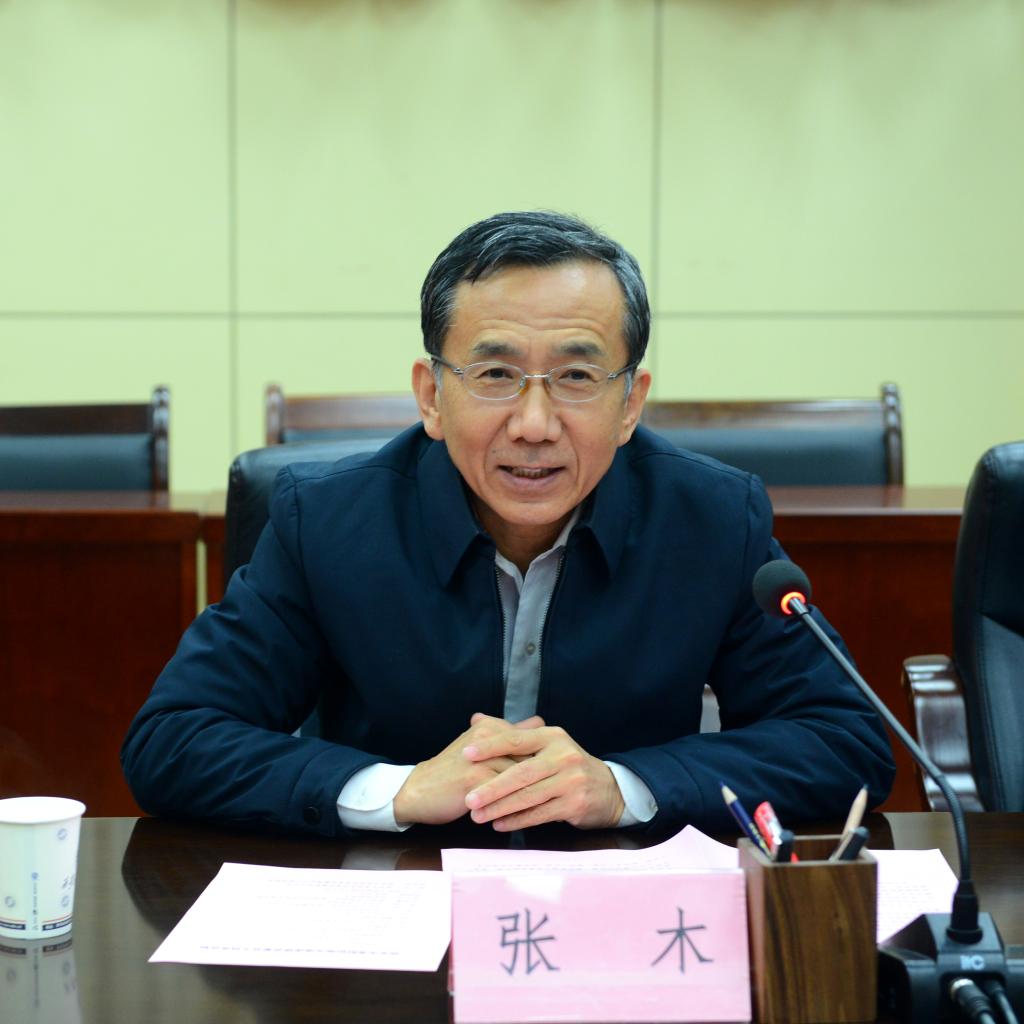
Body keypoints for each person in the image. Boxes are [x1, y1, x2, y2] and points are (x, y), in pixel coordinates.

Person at [121, 211, 894, 837]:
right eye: (495, 375)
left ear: (630, 403)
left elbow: (845, 740)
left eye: (577, 376)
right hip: (397, 908)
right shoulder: (325, 522)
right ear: (431, 396)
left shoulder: (712, 520)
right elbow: (173, 740)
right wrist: (397, 790)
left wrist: (625, 786)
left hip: (620, 916)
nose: (533, 424)